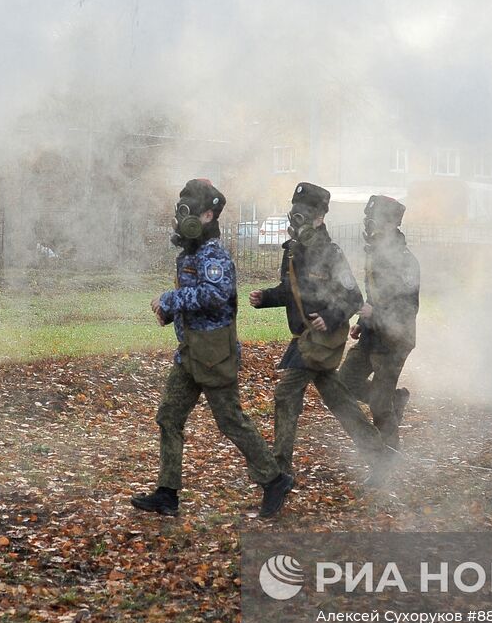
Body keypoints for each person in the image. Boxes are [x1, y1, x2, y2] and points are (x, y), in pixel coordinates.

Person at [131, 180, 296, 519]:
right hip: (191, 351)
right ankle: (167, 493)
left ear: (208, 214)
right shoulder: (192, 253)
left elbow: (214, 295)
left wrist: (169, 299)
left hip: (215, 353)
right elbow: (197, 298)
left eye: (189, 210)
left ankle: (274, 479)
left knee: (231, 421)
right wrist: (171, 312)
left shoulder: (213, 254)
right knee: (169, 416)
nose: (182, 217)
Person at [250, 182, 390, 478]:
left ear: (320, 218)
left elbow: (353, 298)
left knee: (286, 395)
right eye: (295, 213)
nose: (297, 219)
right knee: (339, 400)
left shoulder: (330, 253)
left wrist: (329, 316)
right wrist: (265, 298)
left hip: (320, 341)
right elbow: (290, 291)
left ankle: (279, 473)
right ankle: (378, 456)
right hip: (304, 339)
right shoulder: (292, 252)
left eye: (306, 214)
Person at [338, 194, 420, 449]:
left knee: (379, 405)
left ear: (391, 224)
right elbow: (376, 297)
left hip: (395, 340)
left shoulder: (405, 260)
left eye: (374, 220)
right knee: (345, 382)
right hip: (372, 334)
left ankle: (388, 458)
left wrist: (376, 315)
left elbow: (408, 307)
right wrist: (363, 323)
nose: (369, 225)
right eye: (369, 219)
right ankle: (395, 399)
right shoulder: (375, 253)